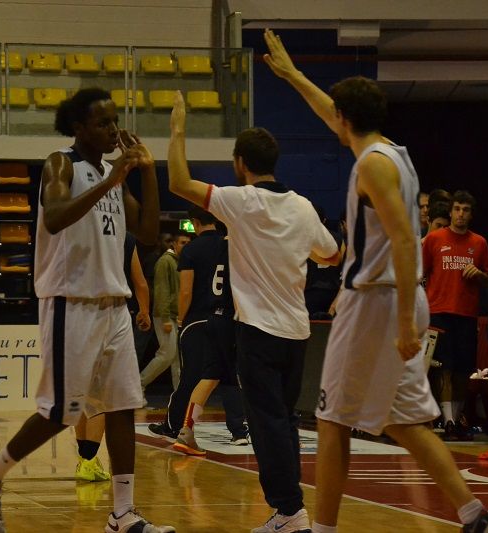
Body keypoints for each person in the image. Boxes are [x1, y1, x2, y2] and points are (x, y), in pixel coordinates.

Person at [263, 29, 488, 533]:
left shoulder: (372, 166)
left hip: (377, 301)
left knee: (331, 419)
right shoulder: (392, 152)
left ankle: (323, 529)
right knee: (405, 422)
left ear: (345, 119)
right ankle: (476, 517)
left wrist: (403, 323)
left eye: (335, 115)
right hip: (398, 297)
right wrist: (293, 76)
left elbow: (403, 240)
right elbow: (331, 111)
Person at [0, 88, 174, 533]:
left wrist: (148, 173)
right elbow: (55, 216)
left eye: (115, 121)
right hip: (70, 303)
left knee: (122, 407)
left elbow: (149, 233)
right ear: (79, 128)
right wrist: (112, 181)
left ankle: (123, 513)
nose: (113, 130)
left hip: (114, 306)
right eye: (102, 123)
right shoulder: (61, 163)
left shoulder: (110, 174)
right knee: (61, 411)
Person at [168, 90, 340, 533]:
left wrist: (179, 128)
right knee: (284, 421)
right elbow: (332, 254)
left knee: (267, 426)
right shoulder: (303, 206)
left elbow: (179, 183)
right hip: (297, 333)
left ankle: (290, 511)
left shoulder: (240, 201)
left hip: (259, 333)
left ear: (241, 163)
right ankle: (290, 511)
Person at [170, 206, 248, 456]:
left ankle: (187, 430)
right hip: (229, 318)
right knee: (236, 375)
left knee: (211, 376)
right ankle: (241, 431)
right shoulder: (237, 249)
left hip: (213, 315)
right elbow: (239, 289)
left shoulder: (217, 249)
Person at [75, 231, 152, 483]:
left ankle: (84, 459)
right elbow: (140, 282)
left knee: (83, 394)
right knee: (104, 398)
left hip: (78, 316)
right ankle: (89, 461)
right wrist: (144, 311)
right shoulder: (124, 236)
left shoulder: (80, 230)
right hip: (111, 317)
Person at [422, 190, 488, 441]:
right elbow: (420, 274)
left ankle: (457, 417)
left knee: (463, 369)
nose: (461, 214)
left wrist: (478, 274)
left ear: (471, 215)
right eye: (457, 209)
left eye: (466, 210)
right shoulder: (434, 239)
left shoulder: (479, 243)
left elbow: (487, 279)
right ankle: (448, 420)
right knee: (444, 368)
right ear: (450, 212)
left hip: (467, 314)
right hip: (439, 312)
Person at [140, 233, 189, 391]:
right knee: (166, 354)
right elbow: (162, 291)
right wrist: (166, 318)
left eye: (188, 243)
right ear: (174, 244)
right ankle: (139, 384)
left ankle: (179, 393)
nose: (186, 246)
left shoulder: (180, 261)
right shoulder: (165, 261)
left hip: (176, 315)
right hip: (164, 315)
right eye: (182, 242)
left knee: (176, 358)